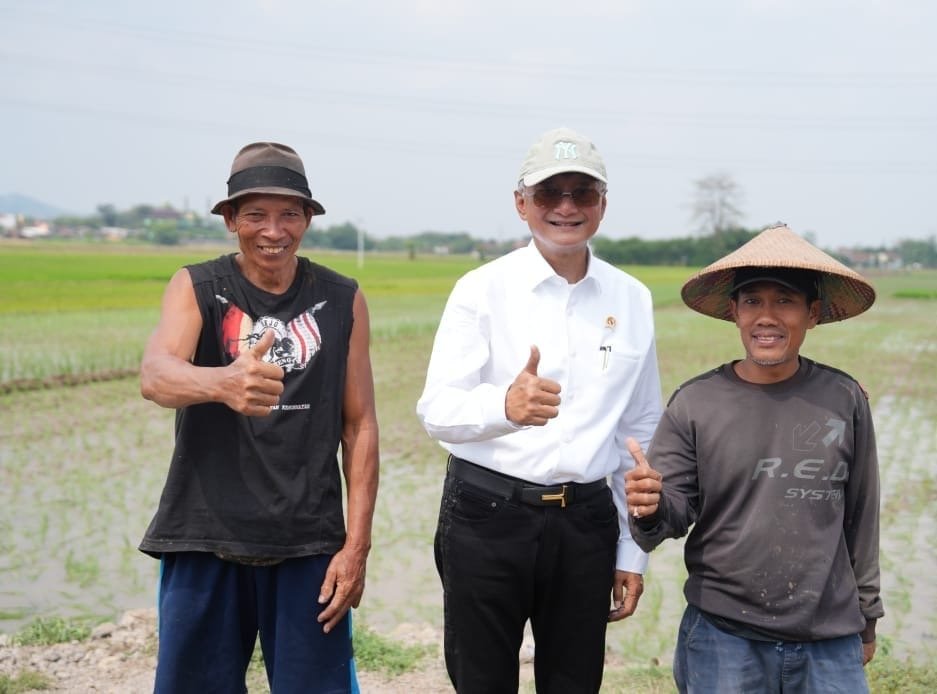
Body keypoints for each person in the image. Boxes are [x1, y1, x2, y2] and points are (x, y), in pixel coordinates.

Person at [416, 127, 663, 693]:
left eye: (583, 193)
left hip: (586, 522)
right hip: (487, 514)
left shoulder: (632, 298)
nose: (567, 208)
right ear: (521, 202)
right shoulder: (482, 289)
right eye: (551, 193)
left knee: (575, 684)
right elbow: (438, 409)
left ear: (603, 203)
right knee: (482, 682)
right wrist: (504, 404)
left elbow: (639, 430)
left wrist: (633, 550)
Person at [138, 142, 379, 694]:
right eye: (256, 215)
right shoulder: (199, 286)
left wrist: (356, 545)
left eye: (289, 214)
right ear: (230, 220)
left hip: (309, 542)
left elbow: (359, 424)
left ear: (308, 220)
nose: (274, 230)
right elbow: (155, 375)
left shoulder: (342, 298)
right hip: (203, 533)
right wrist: (221, 382)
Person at [625, 223, 884, 693]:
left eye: (785, 300)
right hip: (724, 635)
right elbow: (671, 513)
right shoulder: (696, 403)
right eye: (752, 302)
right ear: (734, 312)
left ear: (813, 313)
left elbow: (862, 515)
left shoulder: (843, 399)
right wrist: (649, 505)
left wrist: (866, 615)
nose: (767, 316)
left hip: (829, 637)